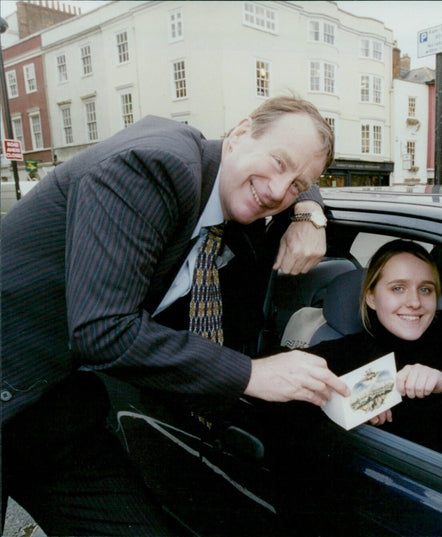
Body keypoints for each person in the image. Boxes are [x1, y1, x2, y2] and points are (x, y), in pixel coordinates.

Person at [1, 95, 349, 535]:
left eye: (296, 184)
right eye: (278, 164)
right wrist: (252, 374)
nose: (279, 191)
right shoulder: (154, 166)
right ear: (238, 134)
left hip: (54, 407)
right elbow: (103, 331)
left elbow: (292, 163)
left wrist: (309, 209)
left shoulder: (233, 183)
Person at [305, 240, 442, 475]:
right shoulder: (350, 353)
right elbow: (278, 376)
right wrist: (350, 402)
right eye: (398, 288)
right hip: (426, 493)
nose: (414, 302)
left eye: (425, 289)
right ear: (371, 297)